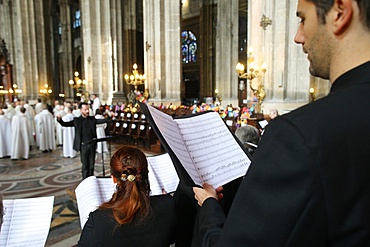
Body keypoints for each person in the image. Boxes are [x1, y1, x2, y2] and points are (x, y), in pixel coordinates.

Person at [193, 0, 370, 246]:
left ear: (340, 12)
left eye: (303, 19)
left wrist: (210, 208)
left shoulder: (297, 136)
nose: (298, 37)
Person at [77, 146, 177, 246]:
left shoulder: (97, 220)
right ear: (145, 174)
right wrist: (165, 201)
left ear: (114, 179)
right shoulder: (168, 205)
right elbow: (173, 237)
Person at [57, 102, 112, 179]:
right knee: (85, 165)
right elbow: (65, 124)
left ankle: (91, 181)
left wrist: (109, 116)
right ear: (80, 110)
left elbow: (102, 121)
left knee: (91, 165)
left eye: (88, 109)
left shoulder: (92, 119)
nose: (87, 111)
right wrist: (59, 120)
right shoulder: (77, 120)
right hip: (83, 146)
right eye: (85, 109)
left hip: (92, 145)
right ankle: (85, 181)